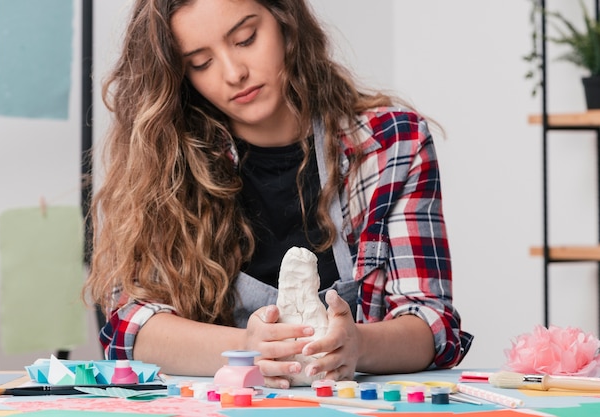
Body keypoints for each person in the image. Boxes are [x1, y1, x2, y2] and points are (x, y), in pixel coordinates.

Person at [83, 0, 473, 389]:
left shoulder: (391, 144)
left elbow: (430, 323)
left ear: (286, 21)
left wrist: (357, 345)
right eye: (201, 63)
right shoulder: (165, 161)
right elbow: (129, 328)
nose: (234, 73)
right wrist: (248, 347)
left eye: (246, 39)